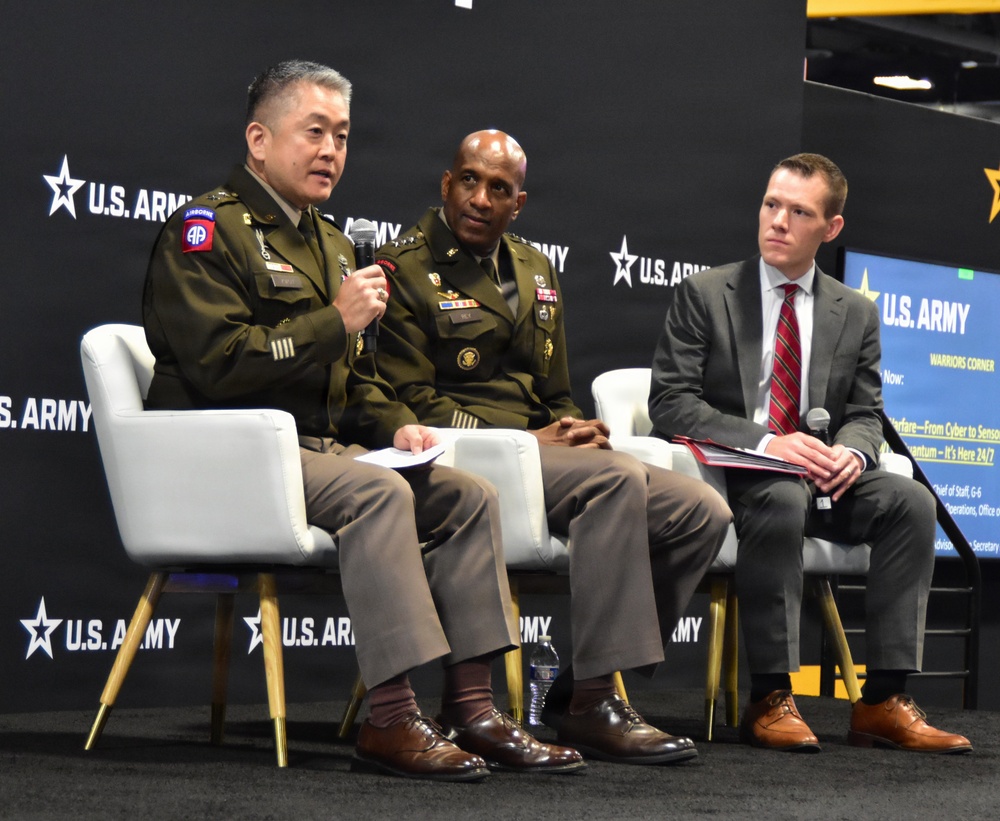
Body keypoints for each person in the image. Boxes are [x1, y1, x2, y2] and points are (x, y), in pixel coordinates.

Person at [142, 62, 586, 781]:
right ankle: (391, 718)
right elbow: (218, 364)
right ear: (259, 139)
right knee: (378, 495)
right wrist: (332, 320)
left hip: (318, 449)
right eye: (313, 132)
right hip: (230, 450)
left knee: (466, 494)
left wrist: (398, 425)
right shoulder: (206, 230)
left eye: (342, 137)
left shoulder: (332, 242)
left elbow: (355, 382)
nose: (331, 152)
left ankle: (473, 708)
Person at [373, 129, 732, 765]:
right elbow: (409, 403)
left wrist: (575, 426)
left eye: (499, 189)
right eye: (469, 180)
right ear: (446, 184)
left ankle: (577, 687)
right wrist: (520, 439)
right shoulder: (404, 267)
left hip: (540, 451)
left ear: (520, 202)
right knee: (616, 482)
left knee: (702, 510)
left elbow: (554, 391)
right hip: (464, 452)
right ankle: (596, 704)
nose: (481, 198)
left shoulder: (535, 267)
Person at [648, 153, 972, 754]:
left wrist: (853, 453)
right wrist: (769, 442)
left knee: (911, 503)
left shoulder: (856, 311)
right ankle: (771, 697)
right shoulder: (707, 292)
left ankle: (881, 701)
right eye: (772, 204)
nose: (778, 221)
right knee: (781, 493)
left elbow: (865, 412)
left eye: (799, 212)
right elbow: (671, 403)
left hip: (823, 475)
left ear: (831, 227)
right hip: (740, 476)